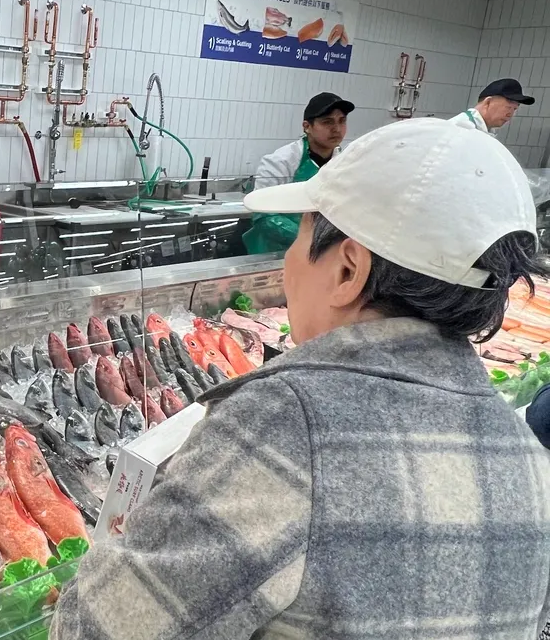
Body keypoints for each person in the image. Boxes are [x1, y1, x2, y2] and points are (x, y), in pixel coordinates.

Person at [53, 118, 550, 639]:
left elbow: (97, 631)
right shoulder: (525, 452)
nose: (289, 258)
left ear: (348, 271)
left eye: (302, 233)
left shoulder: (285, 425)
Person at [243, 92, 354, 254]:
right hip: (276, 252)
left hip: (324, 251)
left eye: (342, 121)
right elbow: (263, 215)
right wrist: (311, 240)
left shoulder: (344, 162)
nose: (337, 129)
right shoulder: (280, 161)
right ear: (307, 126)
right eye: (327, 122)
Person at [449, 78, 536, 134]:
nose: (510, 115)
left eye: (514, 109)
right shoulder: (461, 129)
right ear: (488, 102)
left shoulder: (483, 130)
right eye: (508, 107)